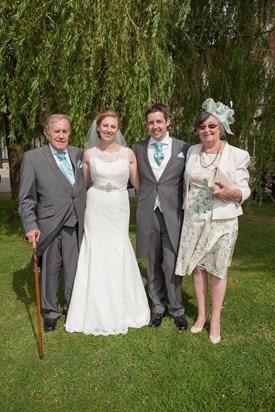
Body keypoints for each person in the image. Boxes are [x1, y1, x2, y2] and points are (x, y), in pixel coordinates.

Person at [65, 110, 150, 335]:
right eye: (105, 126)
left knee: (118, 246)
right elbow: (82, 186)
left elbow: (139, 184)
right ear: (98, 128)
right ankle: (92, 303)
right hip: (96, 206)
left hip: (119, 207)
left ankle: (125, 303)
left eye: (113, 126)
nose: (109, 130)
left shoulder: (128, 154)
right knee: (96, 249)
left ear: (117, 129)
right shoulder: (88, 154)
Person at [175, 98, 251, 344]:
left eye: (211, 127)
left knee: (218, 270)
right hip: (194, 218)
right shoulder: (192, 151)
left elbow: (244, 189)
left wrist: (231, 194)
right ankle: (201, 314)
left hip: (222, 220)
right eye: (202, 127)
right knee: (197, 267)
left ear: (220, 128)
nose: (206, 131)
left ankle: (215, 318)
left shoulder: (238, 155)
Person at [19, 114, 86, 332]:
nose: (61, 135)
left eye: (65, 131)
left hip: (75, 221)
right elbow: (26, 199)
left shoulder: (78, 154)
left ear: (69, 133)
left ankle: (72, 307)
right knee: (50, 269)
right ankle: (50, 312)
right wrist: (30, 225)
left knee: (73, 267)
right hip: (48, 224)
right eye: (56, 131)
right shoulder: (32, 158)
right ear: (47, 134)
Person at [132, 103, 190, 330]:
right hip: (148, 212)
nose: (155, 126)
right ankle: (157, 307)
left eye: (159, 121)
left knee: (171, 262)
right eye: (150, 122)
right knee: (152, 262)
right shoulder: (137, 148)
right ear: (146, 125)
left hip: (173, 213)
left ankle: (177, 309)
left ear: (168, 121)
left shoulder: (184, 148)